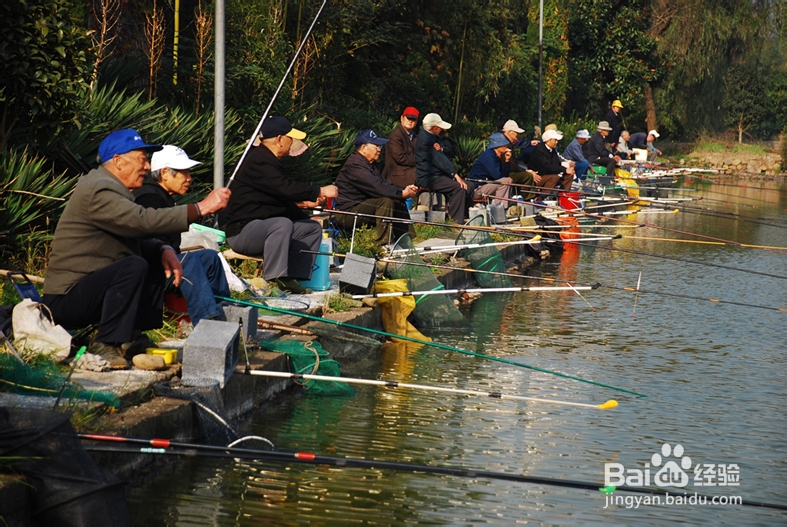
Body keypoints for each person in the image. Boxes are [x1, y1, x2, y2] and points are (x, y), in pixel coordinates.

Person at [42, 129, 230, 369]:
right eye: (142, 160)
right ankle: (107, 341)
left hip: (88, 291)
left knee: (150, 259)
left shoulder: (111, 188)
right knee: (133, 265)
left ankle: (131, 337)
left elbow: (133, 234)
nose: (147, 167)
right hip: (67, 299)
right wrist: (200, 208)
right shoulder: (100, 189)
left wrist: (161, 249)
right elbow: (141, 221)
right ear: (118, 161)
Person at [218, 116, 338, 294]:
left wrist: (304, 212)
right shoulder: (258, 161)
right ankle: (275, 278)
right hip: (242, 232)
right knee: (282, 224)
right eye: (291, 138)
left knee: (311, 228)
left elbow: (279, 199)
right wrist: (320, 191)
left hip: (262, 228)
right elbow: (285, 188)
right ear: (280, 139)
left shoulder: (269, 161)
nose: (293, 143)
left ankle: (293, 278)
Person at [133, 145, 230, 325]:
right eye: (183, 172)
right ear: (165, 173)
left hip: (165, 264)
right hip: (149, 270)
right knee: (188, 262)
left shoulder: (162, 195)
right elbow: (150, 245)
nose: (189, 178)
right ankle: (209, 323)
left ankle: (225, 310)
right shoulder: (149, 198)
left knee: (210, 257)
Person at [334, 129, 418, 245]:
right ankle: (384, 244)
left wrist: (403, 190)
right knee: (385, 201)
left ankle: (406, 242)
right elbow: (376, 187)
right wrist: (402, 193)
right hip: (347, 214)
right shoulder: (354, 165)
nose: (379, 150)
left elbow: (385, 183)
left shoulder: (370, 164)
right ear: (364, 148)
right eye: (376, 146)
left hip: (363, 207)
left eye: (380, 147)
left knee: (397, 199)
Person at [415, 113, 475, 223]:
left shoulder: (434, 137)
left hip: (440, 174)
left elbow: (449, 149)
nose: (441, 130)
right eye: (439, 128)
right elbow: (440, 160)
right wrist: (455, 175)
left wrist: (442, 148)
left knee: (469, 186)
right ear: (434, 128)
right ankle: (454, 220)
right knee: (459, 188)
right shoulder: (424, 141)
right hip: (429, 177)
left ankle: (465, 216)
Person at [468, 132, 513, 207]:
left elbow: (504, 175)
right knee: (505, 181)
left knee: (506, 181)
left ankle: (501, 207)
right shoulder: (489, 155)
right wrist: (506, 179)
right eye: (504, 145)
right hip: (477, 189)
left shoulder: (497, 156)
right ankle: (499, 208)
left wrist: (507, 161)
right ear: (497, 146)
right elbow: (497, 176)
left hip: (486, 186)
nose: (506, 147)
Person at [527, 129, 574, 195]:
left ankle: (563, 196)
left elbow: (556, 164)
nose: (557, 142)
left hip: (547, 175)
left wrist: (567, 170)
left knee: (569, 176)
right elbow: (546, 167)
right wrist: (564, 169)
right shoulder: (539, 150)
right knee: (554, 177)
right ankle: (543, 196)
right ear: (548, 140)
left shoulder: (552, 150)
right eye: (555, 140)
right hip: (538, 177)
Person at [499, 119, 538, 199]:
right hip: (503, 173)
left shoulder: (506, 141)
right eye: (516, 134)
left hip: (506, 171)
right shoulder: (505, 144)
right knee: (528, 176)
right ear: (510, 132)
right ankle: (526, 199)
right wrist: (525, 171)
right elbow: (512, 166)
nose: (517, 137)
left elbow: (514, 164)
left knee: (528, 174)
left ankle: (529, 197)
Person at [382, 106, 419, 188]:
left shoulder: (413, 136)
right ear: (402, 118)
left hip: (410, 172)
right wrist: (419, 159)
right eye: (408, 118)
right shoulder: (396, 135)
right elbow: (400, 158)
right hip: (397, 176)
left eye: (413, 119)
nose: (410, 121)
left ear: (416, 122)